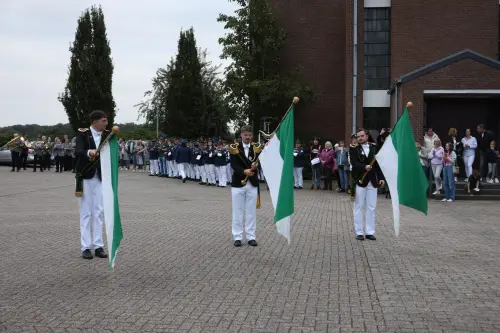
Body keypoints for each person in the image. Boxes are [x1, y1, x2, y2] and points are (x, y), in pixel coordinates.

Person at [74, 110, 109, 260]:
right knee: (86, 213)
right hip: (86, 177)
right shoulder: (83, 134)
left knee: (98, 212)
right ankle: (86, 247)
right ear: (95, 121)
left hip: (100, 178)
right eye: (103, 120)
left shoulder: (108, 136)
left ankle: (98, 245)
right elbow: (78, 152)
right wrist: (90, 152)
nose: (106, 123)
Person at [229, 125, 262, 247]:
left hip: (252, 183)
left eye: (249, 135)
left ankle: (251, 237)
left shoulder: (257, 148)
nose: (248, 137)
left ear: (251, 136)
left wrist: (256, 166)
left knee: (251, 212)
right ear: (241, 135)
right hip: (238, 183)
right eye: (245, 135)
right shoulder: (234, 148)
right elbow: (233, 164)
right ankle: (237, 236)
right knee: (237, 211)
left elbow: (261, 162)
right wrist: (244, 171)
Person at [350, 128, 384, 241]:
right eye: (358, 136)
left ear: (367, 136)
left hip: (372, 180)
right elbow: (354, 164)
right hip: (360, 180)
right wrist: (364, 167)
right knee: (359, 206)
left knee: (371, 207)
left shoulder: (374, 148)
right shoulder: (353, 149)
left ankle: (370, 232)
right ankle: (359, 232)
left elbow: (378, 165)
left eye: (362, 136)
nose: (360, 138)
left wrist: (381, 178)